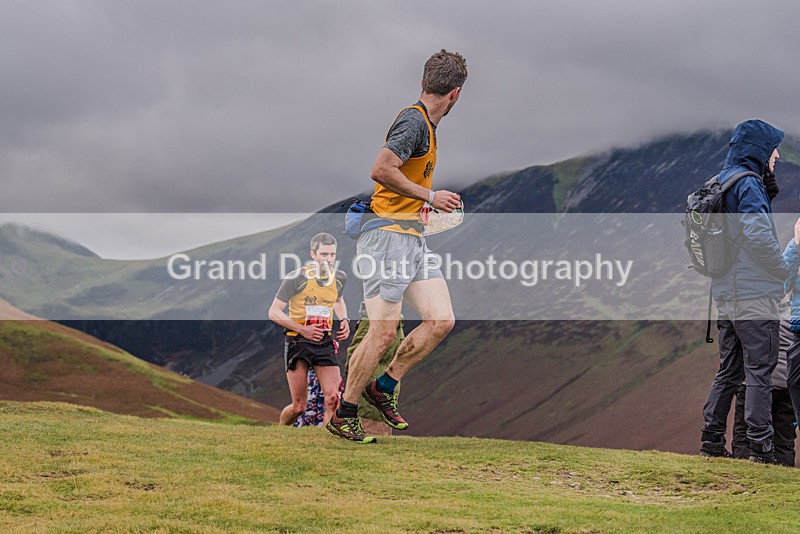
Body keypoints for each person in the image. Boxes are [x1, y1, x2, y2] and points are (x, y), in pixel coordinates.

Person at [327, 50, 467, 443]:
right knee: (382, 332)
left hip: (411, 238)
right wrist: (430, 195)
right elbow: (380, 169)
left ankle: (383, 386)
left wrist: (423, 207)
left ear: (424, 82)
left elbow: (398, 181)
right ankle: (345, 414)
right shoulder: (414, 122)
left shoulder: (426, 127)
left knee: (441, 320)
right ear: (455, 94)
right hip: (386, 238)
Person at [700, 119, 788, 463]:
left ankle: (711, 442)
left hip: (726, 293)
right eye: (773, 150)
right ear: (759, 149)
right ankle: (761, 450)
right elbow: (759, 235)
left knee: (729, 370)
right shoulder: (748, 184)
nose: (776, 156)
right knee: (760, 370)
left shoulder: (722, 180)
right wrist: (781, 272)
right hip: (754, 293)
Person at [269, 232, 350, 427]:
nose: (329, 259)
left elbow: (338, 300)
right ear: (313, 254)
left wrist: (344, 319)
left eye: (332, 255)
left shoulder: (339, 277)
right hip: (298, 342)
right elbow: (274, 312)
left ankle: (324, 441)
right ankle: (280, 433)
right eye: (324, 254)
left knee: (333, 399)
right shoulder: (297, 277)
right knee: (299, 407)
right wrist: (303, 329)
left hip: (324, 341)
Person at [732, 299, 796, 466]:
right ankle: (783, 476)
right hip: (787, 385)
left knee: (744, 437)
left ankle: (742, 474)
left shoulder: (758, 313)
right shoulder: (794, 315)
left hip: (754, 385)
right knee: (784, 440)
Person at [344, 302, 406, 435]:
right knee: (381, 372)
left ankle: (365, 430)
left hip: (382, 322)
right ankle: (370, 430)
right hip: (387, 322)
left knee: (369, 373)